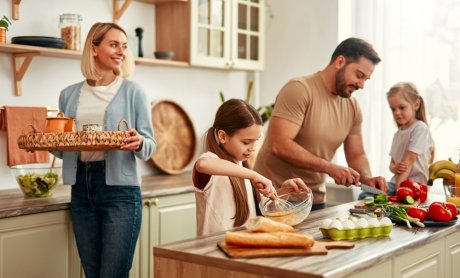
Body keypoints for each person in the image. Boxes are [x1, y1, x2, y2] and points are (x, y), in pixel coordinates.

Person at [52, 22, 156, 278]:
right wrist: (50, 141)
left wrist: (139, 142)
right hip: (80, 191)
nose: (121, 51)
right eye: (113, 44)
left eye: (124, 46)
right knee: (92, 272)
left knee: (112, 274)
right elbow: (63, 148)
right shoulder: (68, 94)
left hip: (120, 193)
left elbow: (150, 145)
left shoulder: (133, 92)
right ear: (94, 48)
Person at [254, 37, 388, 210]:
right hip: (275, 196)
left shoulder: (352, 107)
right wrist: (330, 168)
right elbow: (279, 144)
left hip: (314, 200)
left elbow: (356, 155)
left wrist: (367, 178)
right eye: (359, 75)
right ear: (340, 62)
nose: (361, 85)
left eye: (366, 80)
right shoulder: (299, 89)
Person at [192, 99, 309, 236]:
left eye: (256, 141)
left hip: (241, 247)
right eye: (246, 142)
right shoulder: (212, 163)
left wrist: (283, 191)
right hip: (212, 250)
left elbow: (264, 210)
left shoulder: (243, 169)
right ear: (223, 136)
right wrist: (253, 175)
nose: (252, 148)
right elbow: (202, 164)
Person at [371, 82, 433, 197]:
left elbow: (409, 160)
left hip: (414, 185)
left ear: (416, 104)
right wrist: (395, 168)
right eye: (393, 109)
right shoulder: (397, 134)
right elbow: (392, 164)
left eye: (402, 107)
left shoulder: (420, 128)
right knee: (367, 192)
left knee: (371, 196)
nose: (397, 113)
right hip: (396, 183)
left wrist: (398, 191)